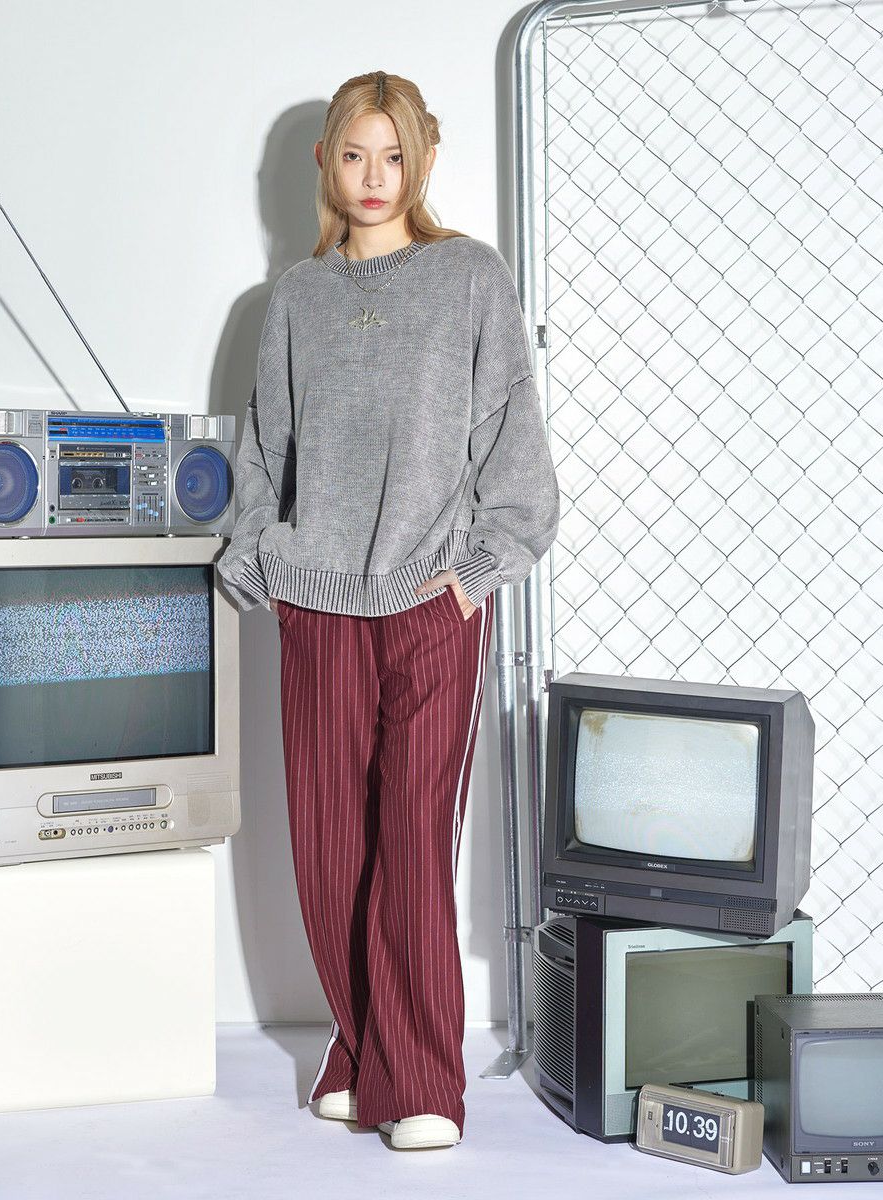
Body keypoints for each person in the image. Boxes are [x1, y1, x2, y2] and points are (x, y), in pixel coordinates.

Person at [217, 69, 560, 1150]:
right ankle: (361, 1052)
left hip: (431, 604)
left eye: (395, 155)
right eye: (356, 155)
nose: (376, 177)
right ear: (326, 162)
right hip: (317, 605)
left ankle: (422, 1084)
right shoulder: (295, 298)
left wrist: (476, 573)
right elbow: (264, 449)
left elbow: (514, 446)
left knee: (411, 842)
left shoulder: (468, 278)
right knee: (329, 850)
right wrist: (258, 561)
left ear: (423, 159)